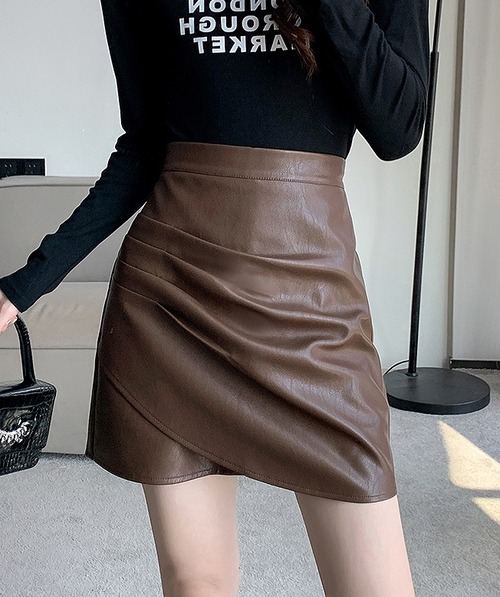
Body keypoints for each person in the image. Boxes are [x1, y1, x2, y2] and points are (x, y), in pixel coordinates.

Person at [0, 1, 430, 595]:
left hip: (313, 300)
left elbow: (400, 128)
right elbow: (143, 149)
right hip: (172, 303)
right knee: (195, 582)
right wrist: (24, 285)